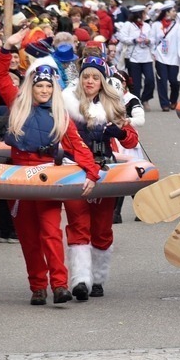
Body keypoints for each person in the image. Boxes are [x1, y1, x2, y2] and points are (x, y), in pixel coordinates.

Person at [0, 29, 101, 306]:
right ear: (31, 86)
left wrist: (92, 173)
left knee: (51, 233)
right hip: (19, 180)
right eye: (39, 85)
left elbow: (78, 147)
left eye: (48, 86)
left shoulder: (60, 115)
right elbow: (0, 76)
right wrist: (7, 48)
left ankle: (60, 285)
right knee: (29, 238)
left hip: (47, 178)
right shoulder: (17, 105)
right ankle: (38, 287)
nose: (44, 90)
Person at [62, 56, 140, 300]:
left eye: (95, 77)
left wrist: (119, 132)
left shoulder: (113, 106)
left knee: (103, 227)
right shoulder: (67, 105)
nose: (90, 81)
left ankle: (97, 278)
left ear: (102, 81)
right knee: (78, 224)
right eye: (86, 76)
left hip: (105, 170)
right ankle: (80, 280)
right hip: (74, 169)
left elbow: (132, 140)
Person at [116, 6, 155, 108]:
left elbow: (153, 39)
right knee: (135, 83)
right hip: (133, 57)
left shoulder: (147, 25)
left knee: (150, 80)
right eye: (144, 13)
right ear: (138, 14)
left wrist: (149, 41)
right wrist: (134, 40)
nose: (145, 15)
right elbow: (122, 37)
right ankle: (136, 102)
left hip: (146, 57)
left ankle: (145, 98)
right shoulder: (128, 25)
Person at [150, 5, 180, 112]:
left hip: (174, 58)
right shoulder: (156, 25)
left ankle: (173, 100)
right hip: (160, 57)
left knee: (174, 82)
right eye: (173, 11)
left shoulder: (177, 26)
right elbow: (152, 39)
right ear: (167, 12)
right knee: (162, 81)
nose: (175, 13)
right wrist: (153, 52)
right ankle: (164, 104)